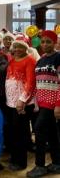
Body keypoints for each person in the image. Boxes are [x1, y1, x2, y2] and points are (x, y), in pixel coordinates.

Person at [26, 30, 60, 178]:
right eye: (43, 41)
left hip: (53, 103)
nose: (45, 44)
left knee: (39, 131)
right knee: (53, 134)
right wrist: (34, 102)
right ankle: (57, 163)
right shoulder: (41, 60)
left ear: (55, 43)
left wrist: (58, 104)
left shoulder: (59, 57)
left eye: (49, 42)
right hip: (42, 103)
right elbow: (37, 83)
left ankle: (40, 166)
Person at [5, 40, 36, 171]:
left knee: (21, 132)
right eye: (15, 47)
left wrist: (22, 100)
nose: (17, 49)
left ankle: (21, 162)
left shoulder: (30, 60)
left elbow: (30, 83)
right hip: (10, 102)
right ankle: (14, 157)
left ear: (25, 49)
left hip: (22, 103)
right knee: (13, 131)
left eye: (20, 47)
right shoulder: (11, 60)